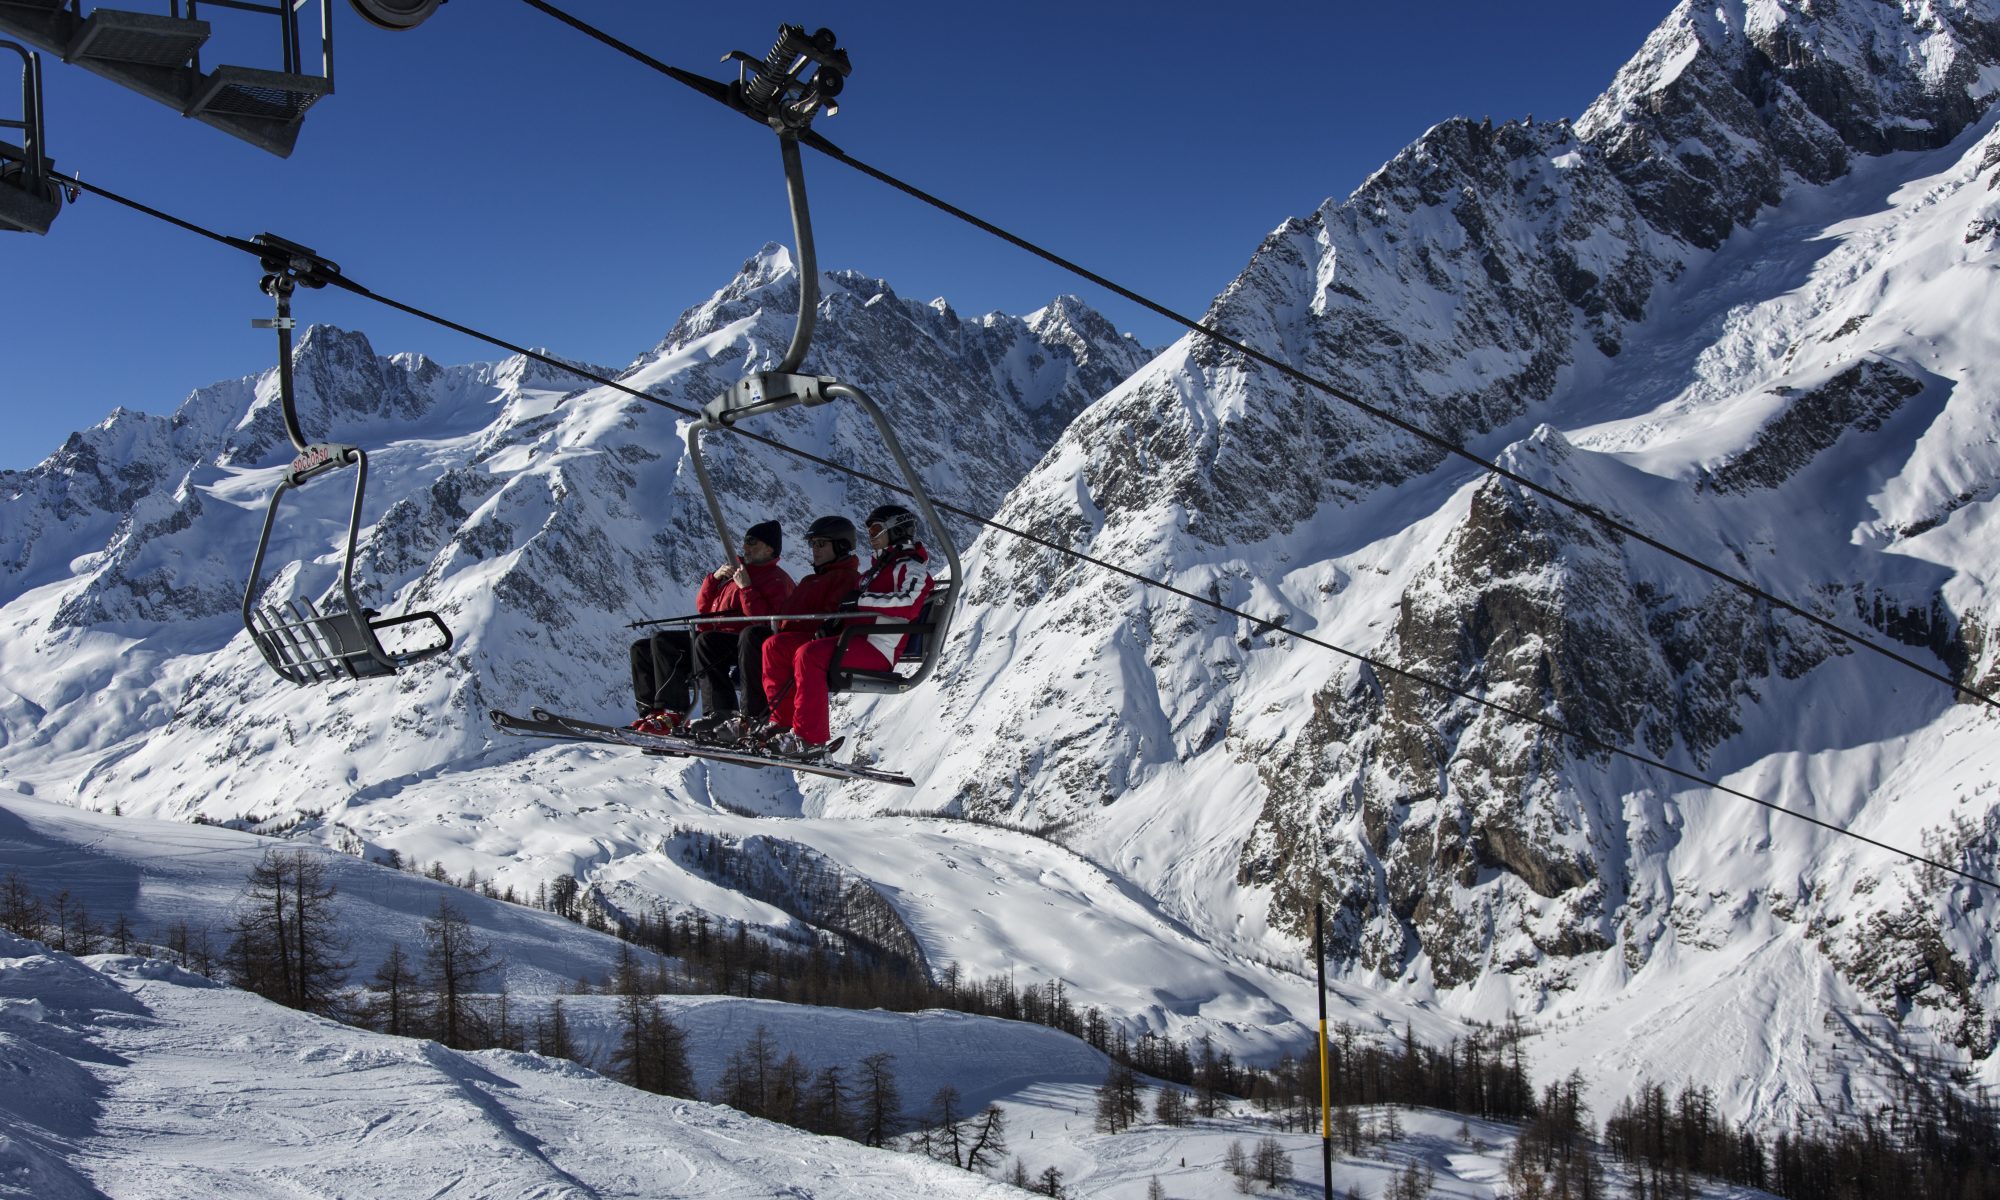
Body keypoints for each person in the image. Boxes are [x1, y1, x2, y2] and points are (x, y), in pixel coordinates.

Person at [762, 503, 937, 761]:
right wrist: (831, 624)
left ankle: (810, 739)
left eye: (877, 530)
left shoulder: (911, 567)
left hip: (877, 648)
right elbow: (853, 604)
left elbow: (909, 604)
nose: (872, 537)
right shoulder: (874, 570)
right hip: (850, 639)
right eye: (869, 531)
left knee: (809, 655)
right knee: (775, 646)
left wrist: (860, 601)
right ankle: (783, 723)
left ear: (897, 530)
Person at [628, 520, 793, 735]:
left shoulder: (776, 580)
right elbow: (706, 611)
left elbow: (764, 622)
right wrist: (714, 580)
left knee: (706, 642)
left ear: (769, 548)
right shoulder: (738, 573)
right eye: (745, 541)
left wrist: (747, 589)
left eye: (752, 542)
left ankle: (701, 711)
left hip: (743, 642)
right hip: (719, 636)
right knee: (645, 646)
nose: (745, 547)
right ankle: (653, 711)